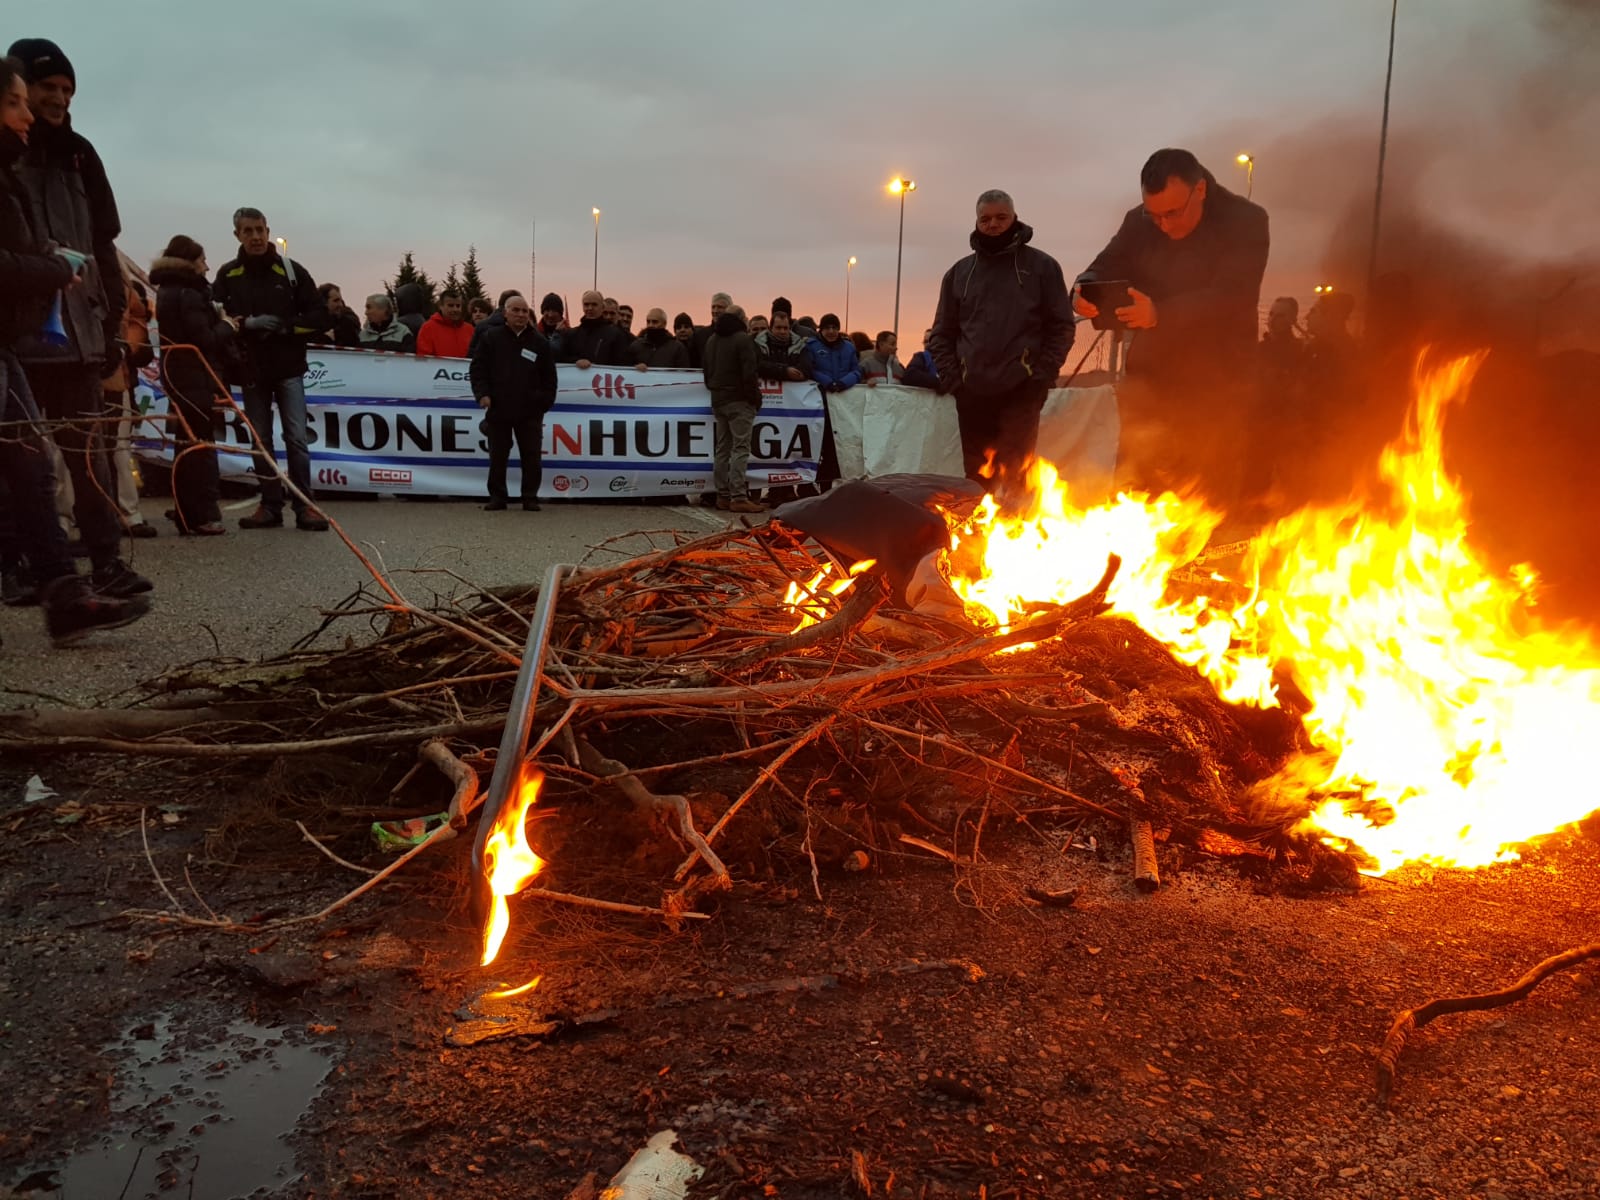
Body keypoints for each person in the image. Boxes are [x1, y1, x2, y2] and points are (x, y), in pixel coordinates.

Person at [0, 53, 150, 644]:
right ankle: (24, 568)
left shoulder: (81, 155)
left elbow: (104, 242)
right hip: (19, 332)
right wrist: (42, 271)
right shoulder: (11, 160)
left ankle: (98, 566)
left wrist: (110, 321)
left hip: (77, 330)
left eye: (68, 88)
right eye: (42, 89)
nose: (58, 99)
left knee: (79, 454)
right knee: (23, 462)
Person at [1074, 147, 1269, 502]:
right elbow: (1108, 262)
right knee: (1138, 486)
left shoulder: (1247, 220)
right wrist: (1085, 287)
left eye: (1173, 213)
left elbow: (1233, 296)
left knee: (1206, 495)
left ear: (1200, 190)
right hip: (1151, 377)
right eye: (1155, 215)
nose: (1164, 224)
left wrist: (1159, 314)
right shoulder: (1139, 221)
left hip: (1218, 381)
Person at [928, 188, 1075, 501]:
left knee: (1016, 478)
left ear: (1014, 218)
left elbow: (1061, 326)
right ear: (977, 222)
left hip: (1021, 392)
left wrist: (1041, 378)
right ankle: (976, 543)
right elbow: (941, 333)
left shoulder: (1042, 267)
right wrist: (955, 381)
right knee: (976, 481)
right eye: (986, 219)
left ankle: (1018, 541)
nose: (993, 224)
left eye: (1000, 217)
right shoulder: (959, 274)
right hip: (972, 394)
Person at [213, 205, 331, 531]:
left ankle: (306, 507)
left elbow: (321, 317)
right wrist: (245, 325)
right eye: (248, 231)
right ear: (237, 234)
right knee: (260, 440)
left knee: (296, 438)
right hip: (251, 372)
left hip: (289, 368)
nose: (255, 237)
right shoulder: (227, 275)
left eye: (260, 230)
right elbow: (214, 317)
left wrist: (286, 328)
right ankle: (269, 506)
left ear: (268, 231)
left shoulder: (292, 272)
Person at [149, 234, 232, 535]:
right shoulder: (189, 293)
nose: (207, 267)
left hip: (175, 373)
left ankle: (185, 509)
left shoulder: (165, 290)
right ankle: (202, 513)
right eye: (202, 260)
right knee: (201, 444)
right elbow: (205, 338)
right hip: (195, 375)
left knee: (185, 443)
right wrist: (227, 325)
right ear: (190, 262)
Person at [469, 295, 556, 512]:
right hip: (499, 408)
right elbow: (478, 369)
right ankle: (498, 497)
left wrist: (543, 403)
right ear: (505, 313)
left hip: (530, 411)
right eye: (515, 310)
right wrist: (482, 394)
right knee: (498, 455)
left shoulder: (540, 343)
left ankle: (530, 497)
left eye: (524, 311)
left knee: (531, 456)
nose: (520, 315)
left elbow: (549, 378)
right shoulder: (490, 338)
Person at [103, 268, 158, 538]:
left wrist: (126, 347)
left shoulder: (115, 268)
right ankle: (63, 520)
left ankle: (128, 514)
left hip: (114, 373)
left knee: (119, 448)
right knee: (63, 449)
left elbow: (136, 315)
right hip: (64, 366)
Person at [701, 304, 764, 513]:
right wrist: (754, 398)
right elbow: (749, 372)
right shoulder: (742, 339)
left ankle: (722, 495)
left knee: (722, 449)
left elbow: (707, 373)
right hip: (739, 400)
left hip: (718, 400)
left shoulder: (711, 340)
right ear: (740, 318)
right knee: (740, 448)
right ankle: (738, 496)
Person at [562, 290, 630, 368]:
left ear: (602, 307)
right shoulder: (571, 334)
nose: (590, 308)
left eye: (594, 304)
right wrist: (575, 361)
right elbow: (561, 358)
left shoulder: (616, 335)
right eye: (586, 305)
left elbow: (623, 363)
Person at [753, 309, 812, 384]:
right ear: (770, 328)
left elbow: (806, 369)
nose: (782, 331)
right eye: (778, 328)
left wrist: (776, 371)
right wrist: (785, 371)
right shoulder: (758, 343)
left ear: (789, 328)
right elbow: (758, 365)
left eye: (785, 328)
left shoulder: (799, 344)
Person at [416, 288, 474, 357]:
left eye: (458, 306)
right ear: (441, 306)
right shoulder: (428, 328)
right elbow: (424, 359)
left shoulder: (469, 329)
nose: (455, 309)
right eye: (450, 305)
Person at [467, 288, 522, 357]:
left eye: (482, 311)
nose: (521, 314)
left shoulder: (480, 327)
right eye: (517, 309)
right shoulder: (517, 328)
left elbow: (472, 356)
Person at [691, 292, 732, 368]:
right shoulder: (700, 335)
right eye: (713, 307)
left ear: (729, 310)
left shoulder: (736, 335)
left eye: (720, 307)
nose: (715, 311)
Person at [319, 283, 361, 347]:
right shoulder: (311, 324)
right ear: (324, 302)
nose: (340, 305)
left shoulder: (347, 322)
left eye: (341, 301)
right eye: (336, 301)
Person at [535, 293, 568, 359]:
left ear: (560, 314)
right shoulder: (534, 333)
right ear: (542, 312)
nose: (550, 315)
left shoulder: (571, 334)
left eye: (554, 311)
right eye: (547, 310)